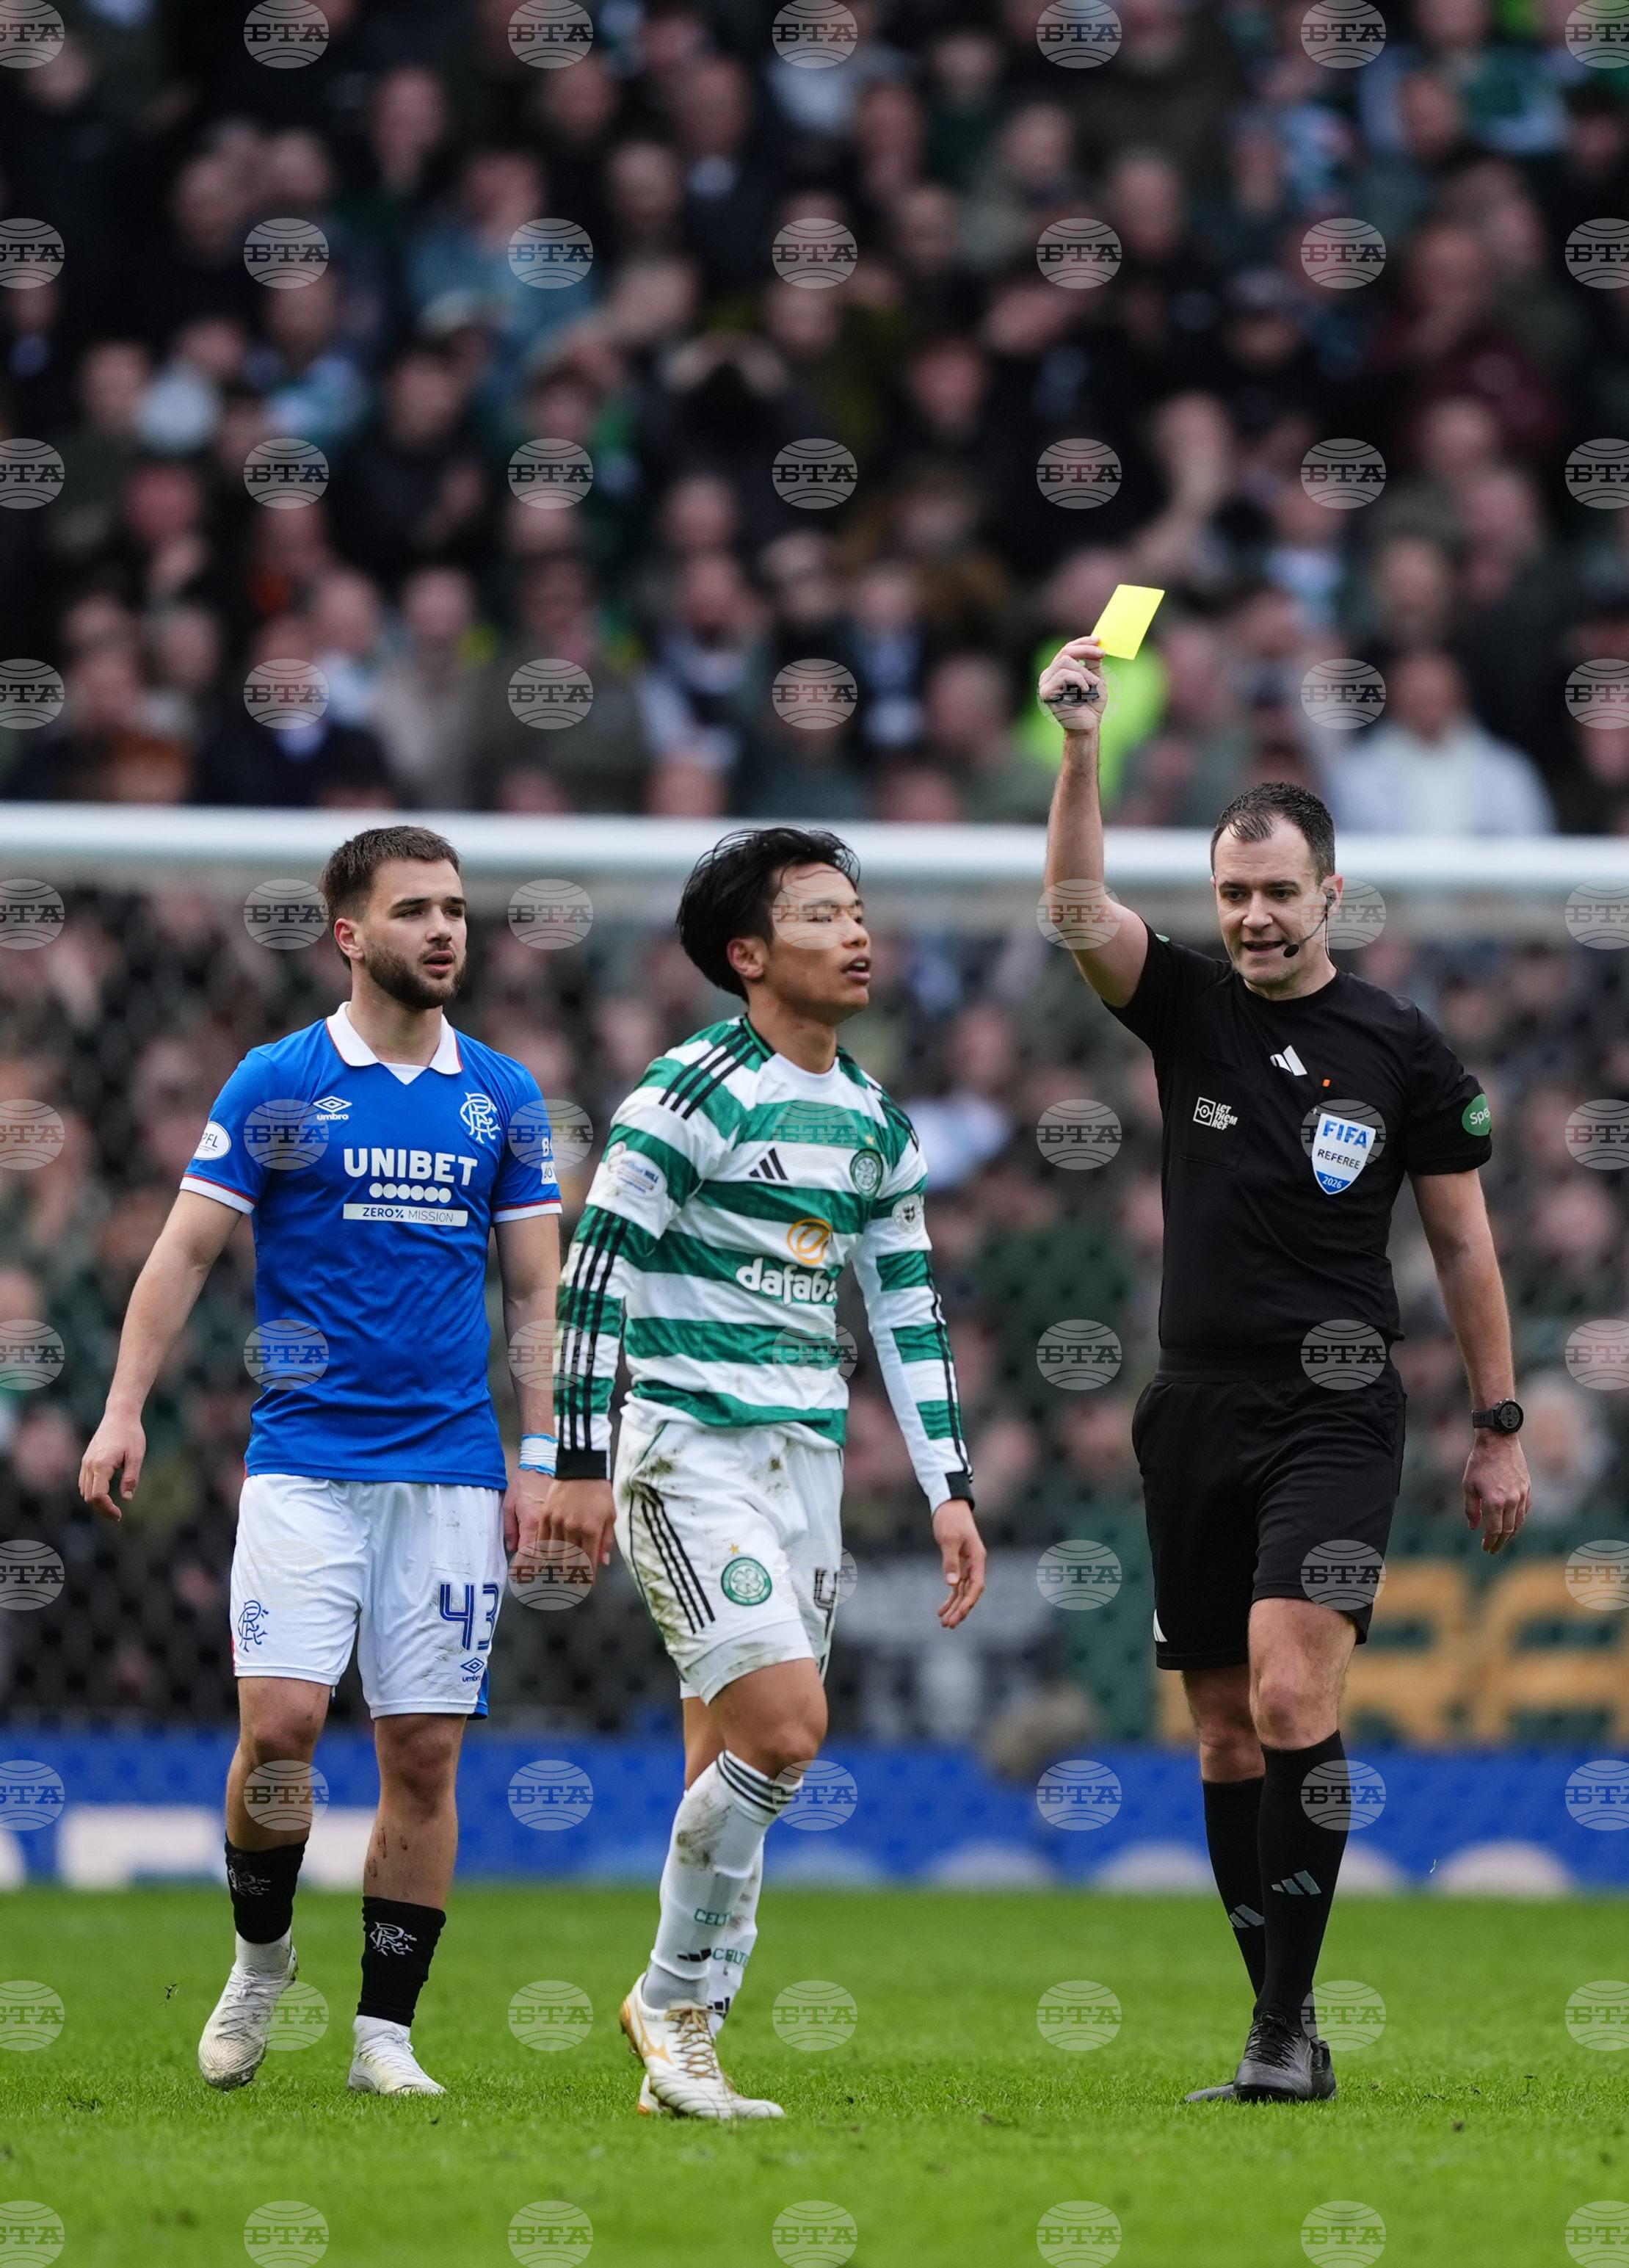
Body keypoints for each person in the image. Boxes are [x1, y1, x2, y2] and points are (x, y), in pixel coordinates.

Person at [1035, 637, 1530, 2103]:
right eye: (1233, 892)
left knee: (1291, 1688)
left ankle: (1278, 2032)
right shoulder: (1184, 1007)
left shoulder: (1401, 1047)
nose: (1253, 916)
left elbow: (1465, 1247)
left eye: (1277, 892)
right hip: (1193, 1405)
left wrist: (1498, 1423)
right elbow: (1074, 908)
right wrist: (1078, 747)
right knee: (1222, 1732)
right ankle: (1283, 2024)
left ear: (1332, 897)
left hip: (1335, 1402)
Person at [77, 826, 562, 2098]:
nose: (446, 930)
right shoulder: (279, 1080)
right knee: (281, 1730)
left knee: (423, 1756)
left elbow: (537, 1294)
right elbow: (182, 1254)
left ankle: (384, 2037)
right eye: (415, 910)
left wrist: (543, 1452)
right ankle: (261, 1952)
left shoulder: (502, 1096)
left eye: (457, 908)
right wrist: (124, 1406)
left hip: (452, 1472)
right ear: (350, 934)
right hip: (304, 1458)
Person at [540, 826, 987, 2120]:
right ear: (749, 953)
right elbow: (594, 1274)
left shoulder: (874, 1122)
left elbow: (907, 1309)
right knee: (789, 1729)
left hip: (808, 1470)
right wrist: (575, 1456)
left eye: (860, 911)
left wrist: (948, 1485)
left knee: (742, 1766)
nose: (858, 933)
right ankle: (671, 2000)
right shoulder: (688, 1093)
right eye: (822, 916)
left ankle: (686, 2048)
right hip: (686, 1451)